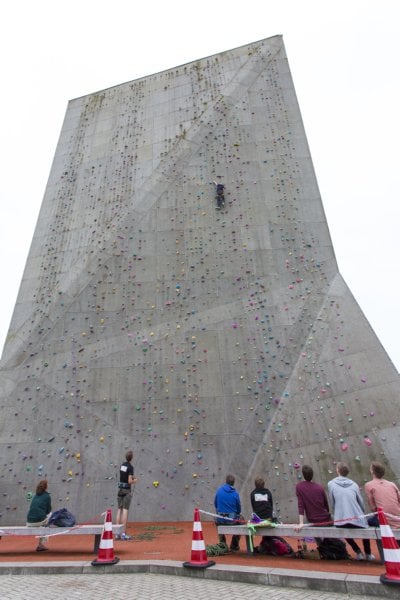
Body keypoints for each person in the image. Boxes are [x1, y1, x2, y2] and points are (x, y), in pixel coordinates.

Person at [328, 462, 375, 561]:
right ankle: (368, 553)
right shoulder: (354, 485)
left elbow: (333, 502)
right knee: (365, 528)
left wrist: (337, 514)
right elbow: (360, 502)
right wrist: (361, 514)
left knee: (343, 530)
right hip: (357, 518)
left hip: (342, 520)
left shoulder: (331, 484)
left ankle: (358, 552)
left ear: (337, 470)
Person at [365, 461, 400, 533]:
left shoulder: (369, 485)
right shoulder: (392, 484)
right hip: (398, 518)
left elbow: (373, 508)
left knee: (367, 523)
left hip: (385, 520)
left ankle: (380, 543)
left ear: (372, 471)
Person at [296, 465, 331, 531]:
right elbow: (326, 504)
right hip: (325, 518)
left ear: (303, 475)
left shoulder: (299, 487)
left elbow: (301, 505)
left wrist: (301, 523)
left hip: (313, 520)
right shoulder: (319, 487)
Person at [214, 474, 241, 551]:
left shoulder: (219, 491)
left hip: (220, 519)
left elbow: (215, 504)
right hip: (232, 520)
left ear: (226, 481)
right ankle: (234, 545)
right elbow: (239, 509)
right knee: (241, 519)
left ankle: (222, 544)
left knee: (217, 518)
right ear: (233, 483)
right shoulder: (235, 494)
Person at [116, 450, 137, 540]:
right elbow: (129, 481)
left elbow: (124, 476)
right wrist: (134, 480)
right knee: (125, 510)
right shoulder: (130, 467)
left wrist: (131, 477)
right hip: (126, 490)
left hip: (120, 489)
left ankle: (117, 533)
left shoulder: (122, 466)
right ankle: (123, 533)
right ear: (131, 458)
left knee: (119, 510)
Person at [26, 479, 52, 552]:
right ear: (46, 487)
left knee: (43, 522)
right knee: (48, 522)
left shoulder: (35, 496)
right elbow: (48, 510)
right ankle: (41, 545)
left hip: (29, 522)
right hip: (39, 521)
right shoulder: (47, 496)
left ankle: (41, 545)